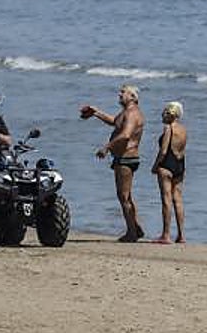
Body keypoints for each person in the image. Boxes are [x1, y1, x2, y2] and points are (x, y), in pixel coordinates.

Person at [80, 84, 146, 242]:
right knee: (127, 195)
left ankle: (131, 233)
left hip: (126, 158)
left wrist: (107, 147)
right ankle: (135, 227)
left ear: (132, 97)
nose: (119, 94)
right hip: (124, 157)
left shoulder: (132, 114)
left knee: (123, 196)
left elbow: (125, 134)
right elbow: (115, 122)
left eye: (123, 92)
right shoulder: (126, 112)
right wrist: (96, 112)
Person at [151, 101, 187, 244]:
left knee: (166, 199)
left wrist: (155, 166)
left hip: (167, 164)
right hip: (180, 164)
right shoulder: (184, 130)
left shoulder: (168, 128)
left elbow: (164, 151)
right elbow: (182, 150)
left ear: (169, 114)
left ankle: (166, 235)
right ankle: (181, 235)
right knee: (178, 200)